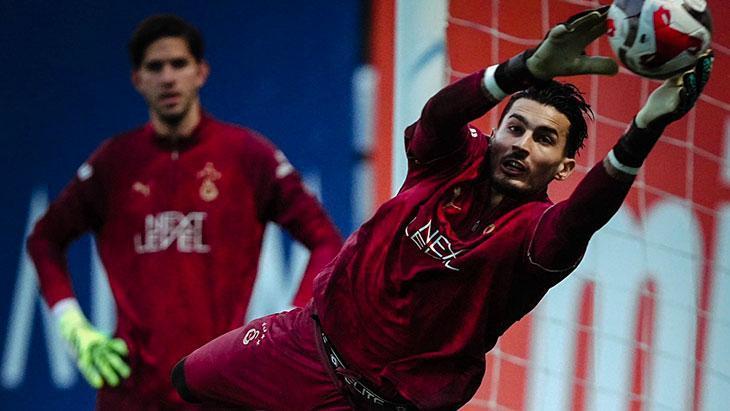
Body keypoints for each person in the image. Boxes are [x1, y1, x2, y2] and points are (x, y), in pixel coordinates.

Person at [171, 6, 713, 410]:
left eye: (544, 139)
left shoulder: (536, 237)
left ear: (565, 167)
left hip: (379, 404)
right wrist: (525, 67)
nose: (522, 145)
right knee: (184, 383)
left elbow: (585, 216)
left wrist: (644, 128)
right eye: (515, 127)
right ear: (496, 132)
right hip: (303, 344)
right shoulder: (452, 159)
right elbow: (439, 115)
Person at [26, 14, 343, 410]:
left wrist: (291, 322)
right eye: (155, 67)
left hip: (217, 388)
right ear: (137, 79)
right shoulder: (114, 163)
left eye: (179, 64)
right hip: (130, 392)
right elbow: (44, 240)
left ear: (201, 72)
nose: (168, 78)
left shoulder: (247, 155)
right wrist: (71, 324)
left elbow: (325, 239)